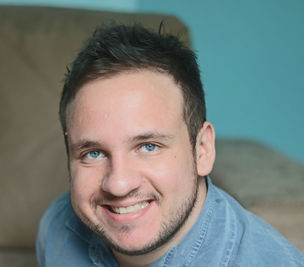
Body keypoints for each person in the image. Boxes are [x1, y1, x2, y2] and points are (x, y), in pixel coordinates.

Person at [36, 23, 303, 266]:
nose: (118, 184)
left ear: (202, 149)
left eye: (148, 146)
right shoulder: (57, 228)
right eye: (93, 153)